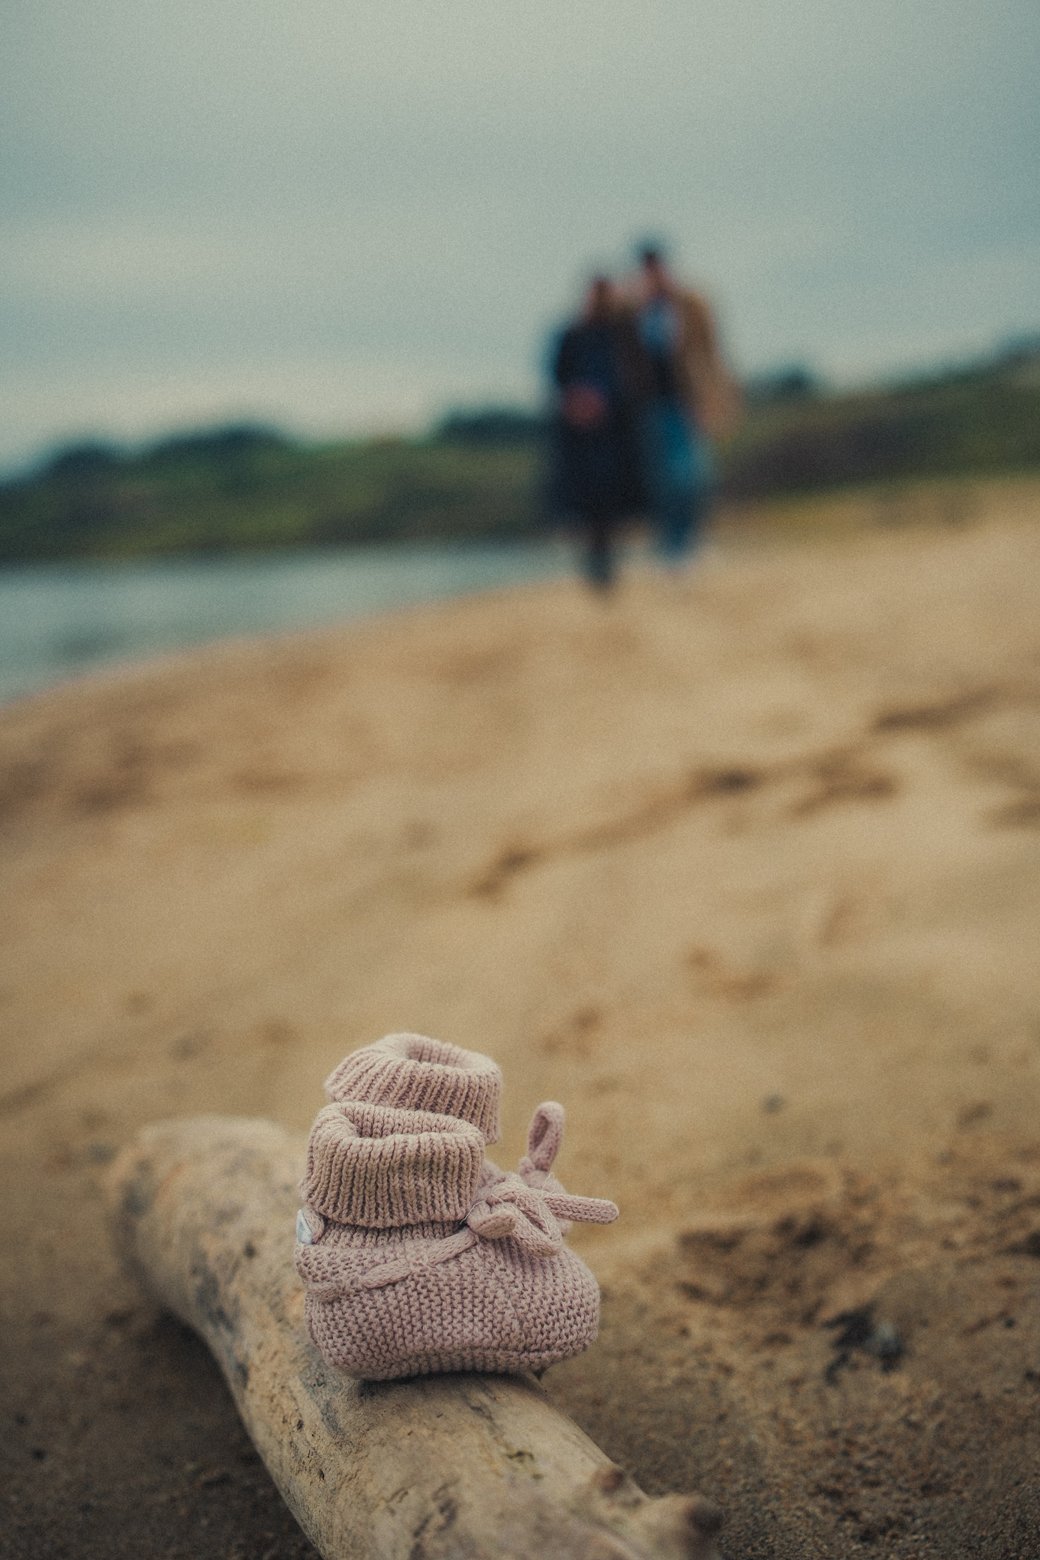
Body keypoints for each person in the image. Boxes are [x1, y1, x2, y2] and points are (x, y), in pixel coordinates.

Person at [630, 242, 740, 566]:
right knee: (661, 480)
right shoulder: (635, 308)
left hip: (688, 401)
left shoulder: (690, 303)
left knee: (692, 475)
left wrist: (715, 397)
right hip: (651, 405)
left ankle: (691, 540)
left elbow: (710, 352)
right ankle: (672, 547)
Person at [547, 275, 645, 591]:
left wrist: (607, 402)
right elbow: (557, 377)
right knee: (585, 501)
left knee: (611, 497)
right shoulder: (572, 335)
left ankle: (605, 564)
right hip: (580, 435)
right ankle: (596, 563)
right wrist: (576, 402)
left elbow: (634, 379)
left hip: (613, 433)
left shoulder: (622, 335)